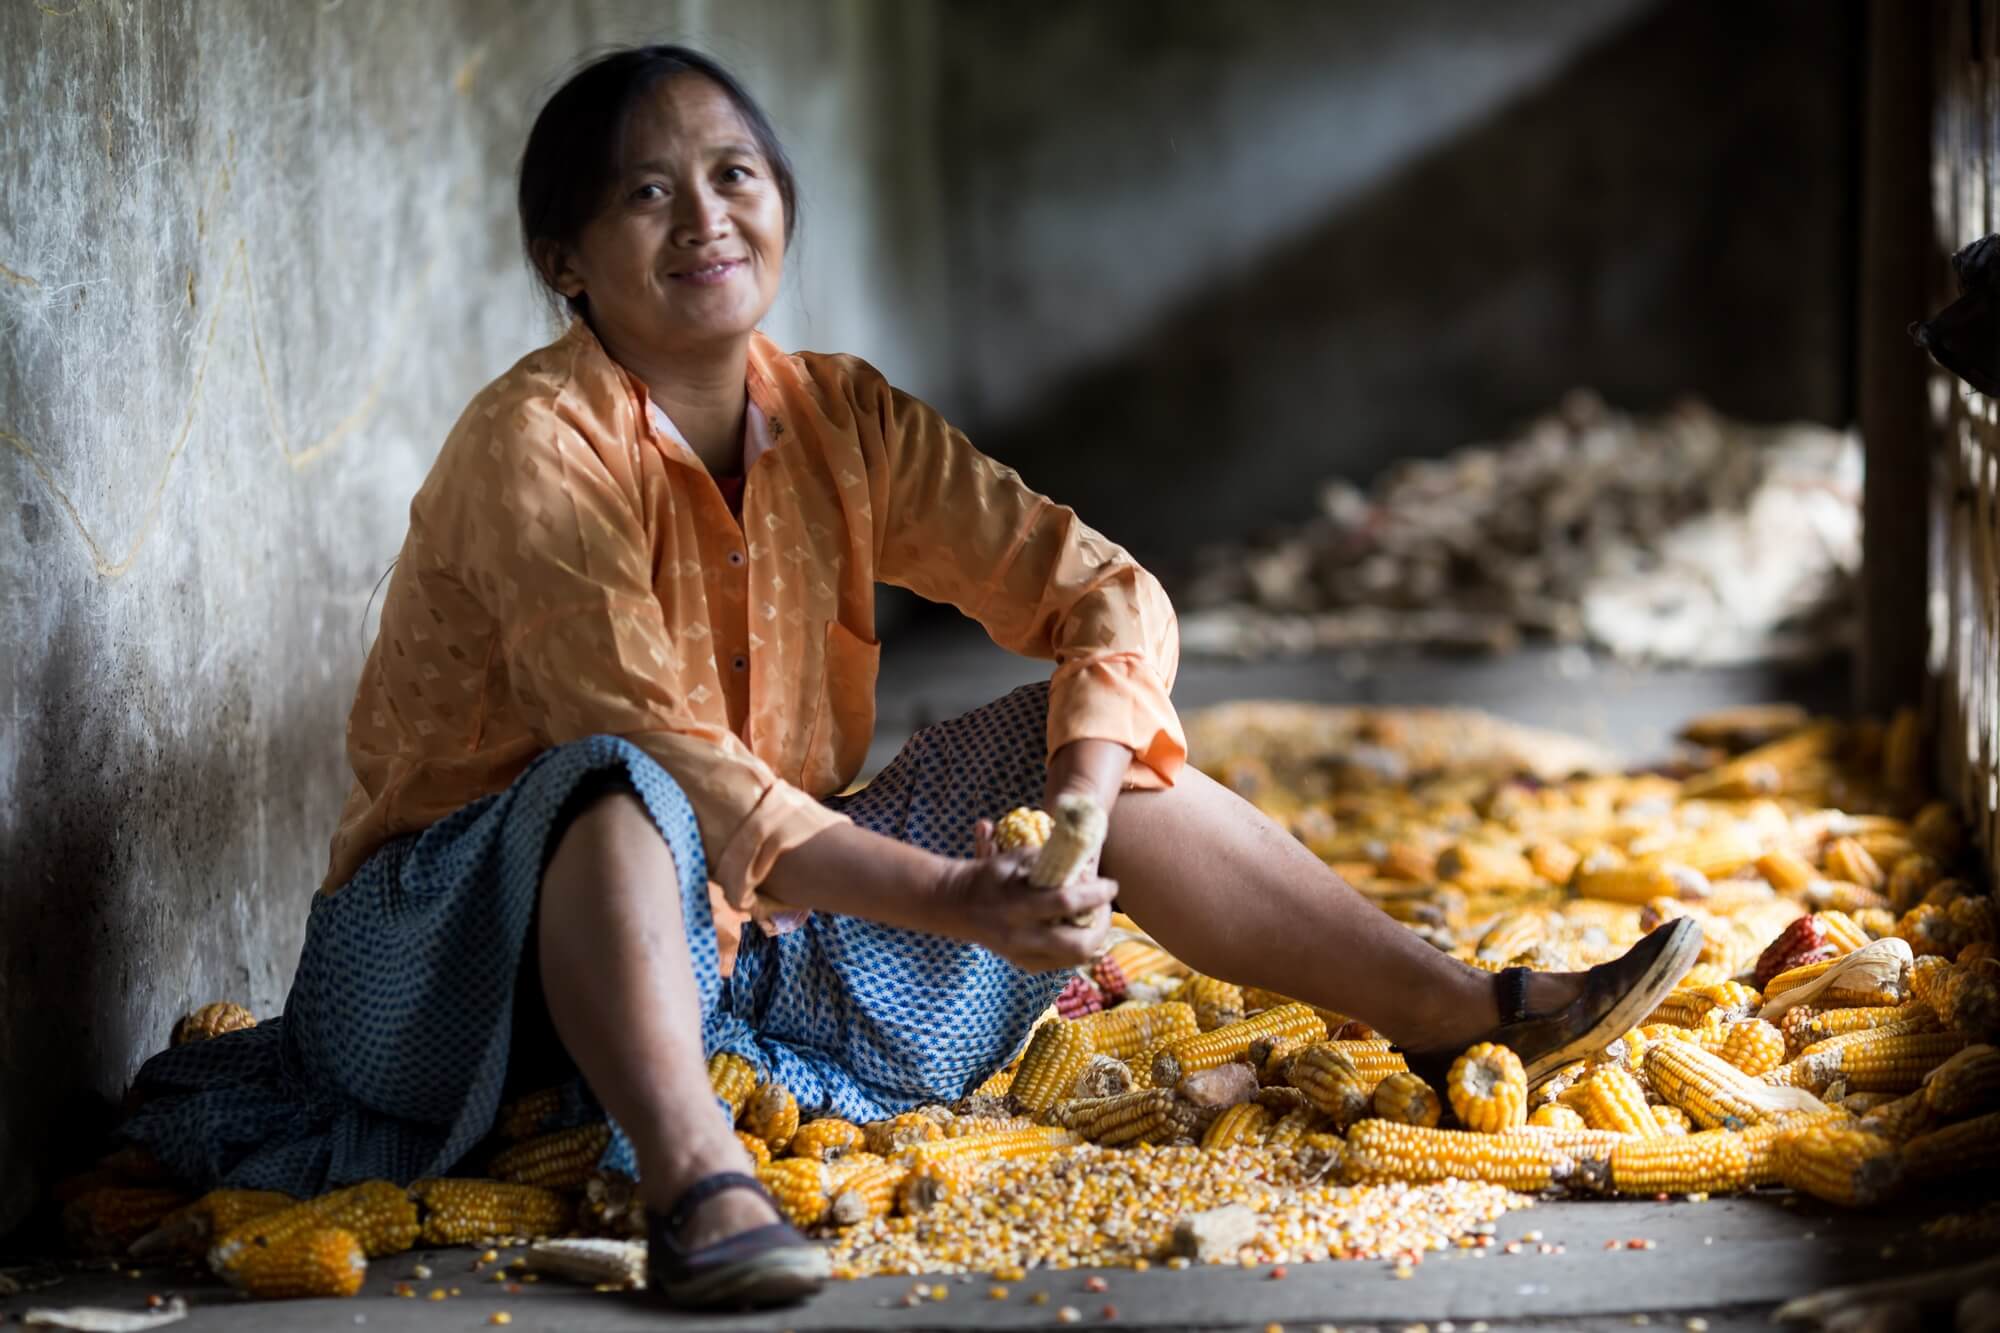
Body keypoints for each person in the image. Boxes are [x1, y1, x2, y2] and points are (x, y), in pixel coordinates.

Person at [118, 45, 1700, 1311]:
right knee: (622, 786)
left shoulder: (846, 423)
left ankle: (1462, 1008)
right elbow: (682, 761)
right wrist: (955, 903)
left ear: (784, 208)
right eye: (648, 196)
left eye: (735, 175)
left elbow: (1102, 590)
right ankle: (697, 1190)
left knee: (1086, 744)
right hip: (458, 963)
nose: (707, 219)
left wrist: (1071, 816)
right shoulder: (536, 448)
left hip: (747, 948)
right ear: (567, 260)